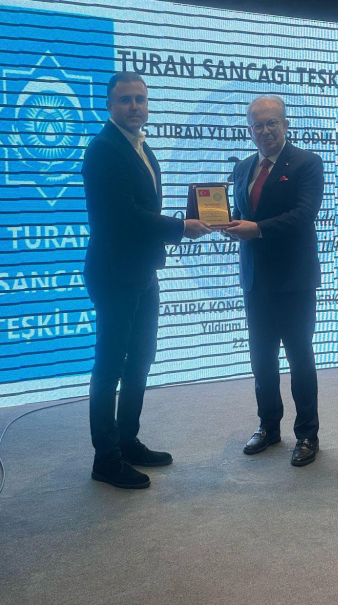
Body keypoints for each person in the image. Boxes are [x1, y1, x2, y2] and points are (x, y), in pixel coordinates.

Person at [82, 72, 209, 490]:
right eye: (125, 100)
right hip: (114, 273)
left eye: (140, 99)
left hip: (143, 270)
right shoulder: (104, 149)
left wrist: (183, 222)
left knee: (140, 359)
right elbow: (124, 216)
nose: (134, 106)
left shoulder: (141, 146)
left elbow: (145, 209)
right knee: (110, 365)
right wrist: (181, 228)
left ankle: (127, 440)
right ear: (109, 105)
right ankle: (106, 458)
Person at [223, 95, 324, 467]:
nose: (265, 131)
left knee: (300, 359)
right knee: (262, 361)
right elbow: (240, 212)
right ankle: (269, 426)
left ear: (285, 124)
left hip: (294, 280)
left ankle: (307, 434)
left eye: (272, 123)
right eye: (258, 125)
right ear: (249, 129)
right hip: (255, 280)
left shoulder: (307, 163)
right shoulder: (242, 168)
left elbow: (304, 215)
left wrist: (255, 228)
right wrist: (224, 223)